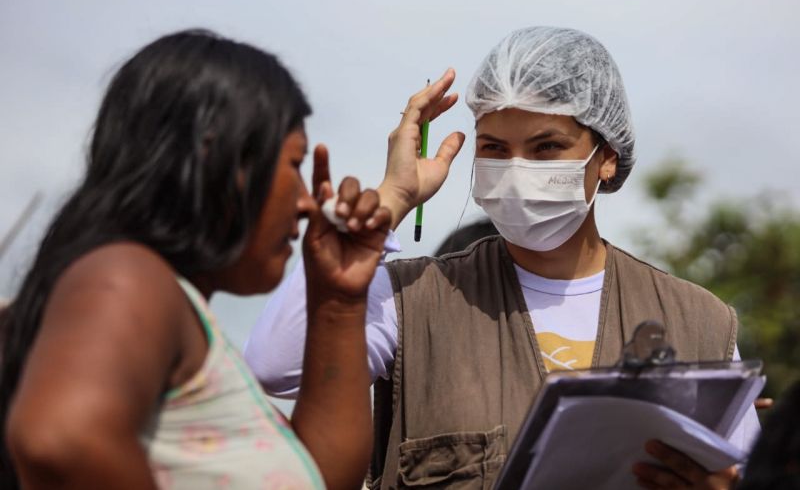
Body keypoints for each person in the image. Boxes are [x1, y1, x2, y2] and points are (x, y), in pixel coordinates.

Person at [245, 27, 760, 489]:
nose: (516, 169)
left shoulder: (699, 322)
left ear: (605, 157)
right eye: (494, 148)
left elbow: (743, 469)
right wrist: (392, 199)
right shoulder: (408, 301)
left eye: (546, 148)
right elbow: (274, 368)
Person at [0, 30, 396, 489]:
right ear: (219, 162)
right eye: (294, 165)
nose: (308, 202)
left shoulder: (177, 313)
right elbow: (61, 439)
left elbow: (322, 479)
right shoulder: (127, 275)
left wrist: (339, 299)